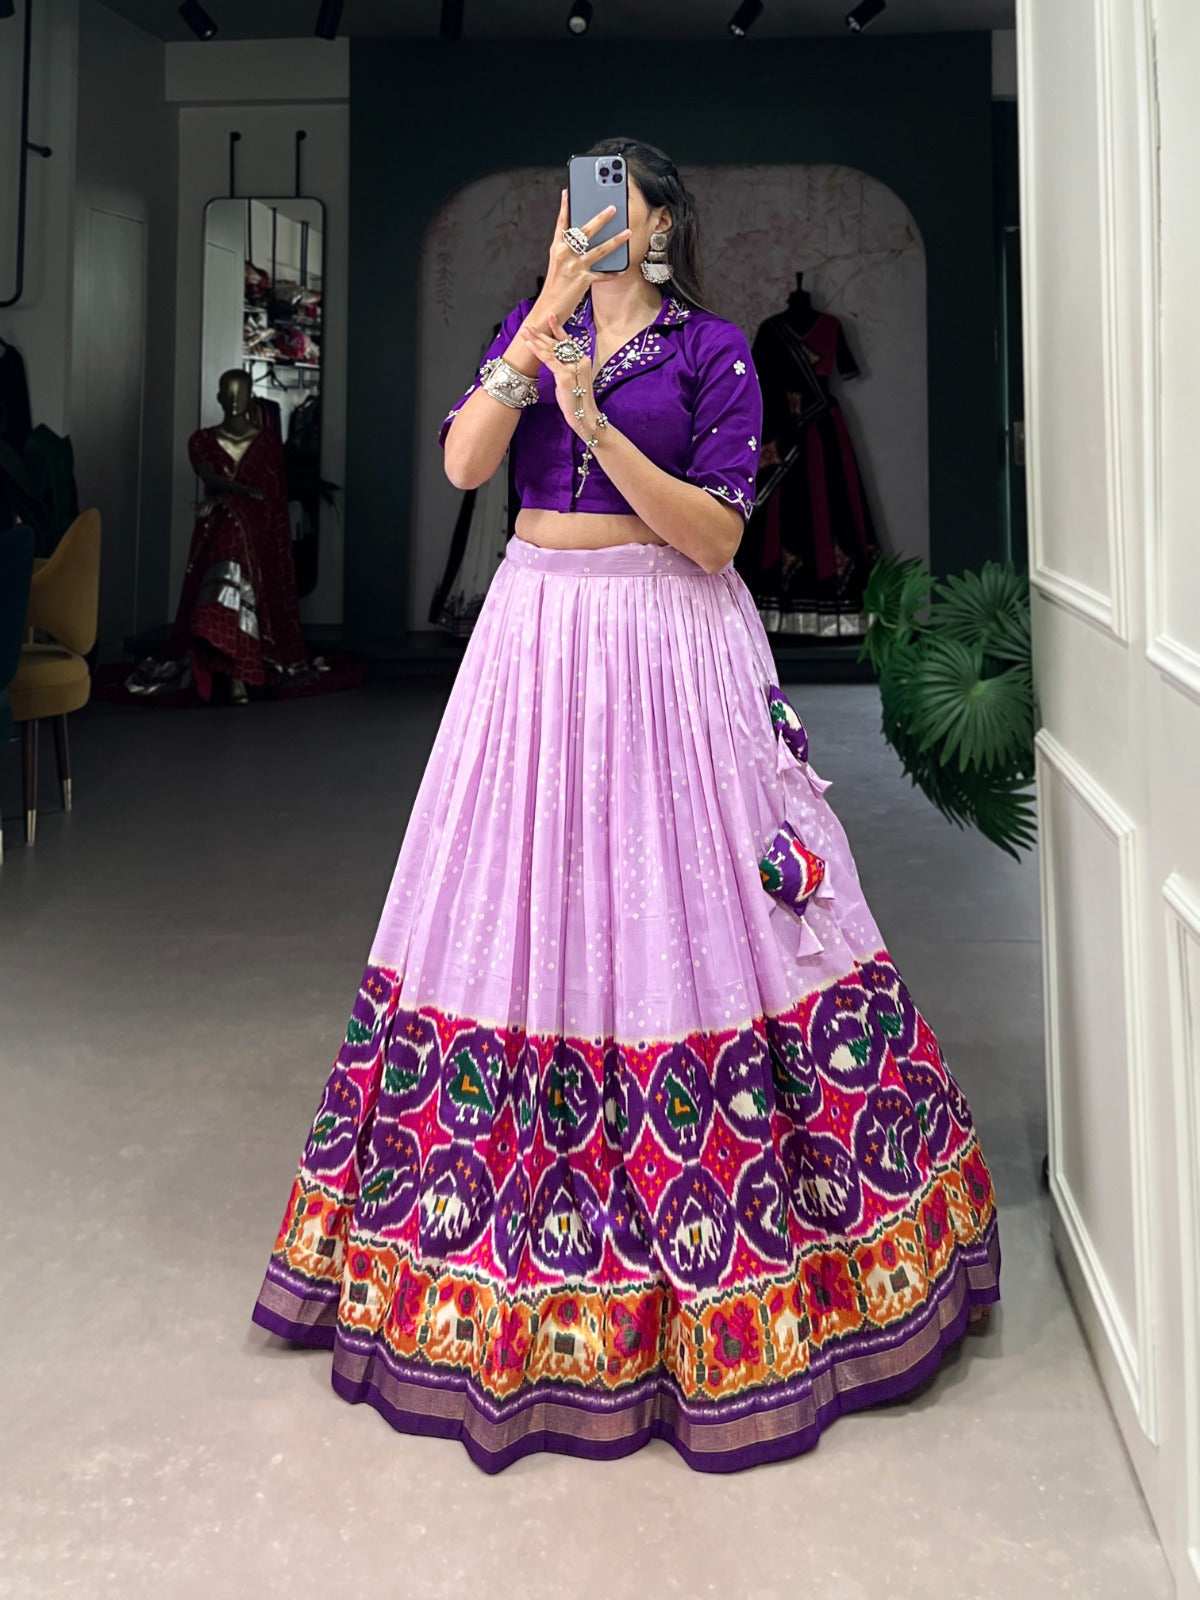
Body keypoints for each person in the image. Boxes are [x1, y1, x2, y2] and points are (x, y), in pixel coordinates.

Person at [250, 137, 999, 1473]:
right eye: (573, 202)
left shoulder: (714, 352)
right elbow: (466, 466)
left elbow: (715, 538)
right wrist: (541, 329)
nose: (587, 221)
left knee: (692, 915)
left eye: (616, 204)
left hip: (666, 641)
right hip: (535, 640)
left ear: (662, 226)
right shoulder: (528, 326)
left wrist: (595, 420)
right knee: (521, 907)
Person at [126, 371, 312, 704]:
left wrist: (230, 500)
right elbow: (210, 477)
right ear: (219, 397)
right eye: (229, 392)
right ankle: (230, 665)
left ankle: (232, 662)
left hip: (257, 528)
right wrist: (239, 494)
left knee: (232, 524)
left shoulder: (267, 443)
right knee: (228, 526)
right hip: (221, 527)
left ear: (251, 397)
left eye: (241, 392)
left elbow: (271, 498)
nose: (235, 399)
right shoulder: (202, 440)